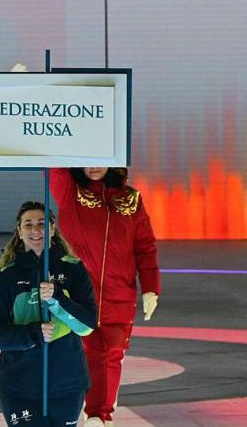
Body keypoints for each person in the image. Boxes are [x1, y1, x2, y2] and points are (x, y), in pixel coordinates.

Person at [49, 168, 161, 426]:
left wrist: (151, 287)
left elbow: (144, 246)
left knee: (112, 352)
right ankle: (94, 412)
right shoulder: (70, 193)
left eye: (101, 157)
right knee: (87, 350)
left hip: (119, 292)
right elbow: (54, 165)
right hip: (79, 292)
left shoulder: (131, 200)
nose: (94, 166)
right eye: (88, 158)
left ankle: (101, 415)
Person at [0, 201, 97, 427]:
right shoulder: (6, 276)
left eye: (42, 224)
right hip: (18, 387)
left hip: (67, 384)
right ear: (19, 231)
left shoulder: (73, 269)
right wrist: (32, 333)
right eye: (28, 224)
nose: (35, 230)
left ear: (53, 229)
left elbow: (86, 326)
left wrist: (58, 298)